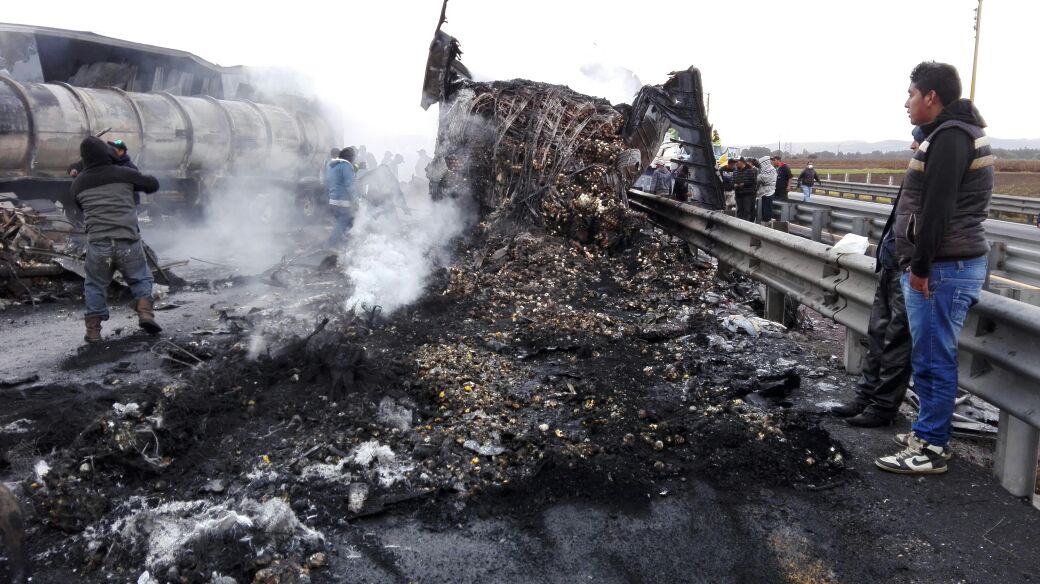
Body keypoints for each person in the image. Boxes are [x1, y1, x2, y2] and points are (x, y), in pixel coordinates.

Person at [875, 61, 993, 475]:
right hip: (942, 265)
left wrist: (920, 266)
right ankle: (927, 433)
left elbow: (937, 209)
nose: (906, 102)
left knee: (934, 358)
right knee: (927, 357)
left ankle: (932, 448)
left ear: (931, 97)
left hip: (943, 267)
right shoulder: (947, 135)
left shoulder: (952, 138)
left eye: (911, 93)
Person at [831, 131, 920, 428]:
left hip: (906, 266)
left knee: (896, 339)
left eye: (917, 139)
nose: (911, 145)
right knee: (878, 334)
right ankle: (866, 398)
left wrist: (912, 262)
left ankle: (883, 408)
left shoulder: (934, 169)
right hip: (891, 262)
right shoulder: (918, 168)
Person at [72, 137, 161, 343]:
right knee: (140, 278)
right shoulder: (124, 173)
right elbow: (152, 184)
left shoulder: (78, 184)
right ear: (108, 154)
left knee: (94, 285)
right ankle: (145, 313)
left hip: (98, 245)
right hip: (127, 240)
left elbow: (81, 208)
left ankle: (93, 331)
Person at [326, 146, 360, 248]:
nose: (354, 159)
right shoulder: (346, 167)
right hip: (343, 201)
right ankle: (331, 244)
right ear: (349, 158)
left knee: (347, 221)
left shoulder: (334, 166)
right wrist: (356, 201)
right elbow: (350, 185)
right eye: (353, 157)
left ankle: (343, 242)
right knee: (343, 221)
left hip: (333, 200)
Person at [732, 158, 758, 222]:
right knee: (740, 210)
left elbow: (754, 182)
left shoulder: (750, 170)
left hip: (748, 194)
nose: (736, 164)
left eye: (737, 162)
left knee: (747, 211)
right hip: (738, 194)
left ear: (742, 162)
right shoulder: (735, 172)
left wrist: (744, 184)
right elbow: (733, 181)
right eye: (735, 162)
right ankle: (739, 225)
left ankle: (747, 225)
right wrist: (734, 185)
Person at [755, 156, 776, 223]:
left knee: (767, 208)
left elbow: (763, 179)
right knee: (762, 207)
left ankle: (766, 221)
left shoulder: (771, 169)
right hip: (763, 192)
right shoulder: (763, 170)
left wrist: (759, 177)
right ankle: (763, 220)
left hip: (769, 192)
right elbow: (758, 179)